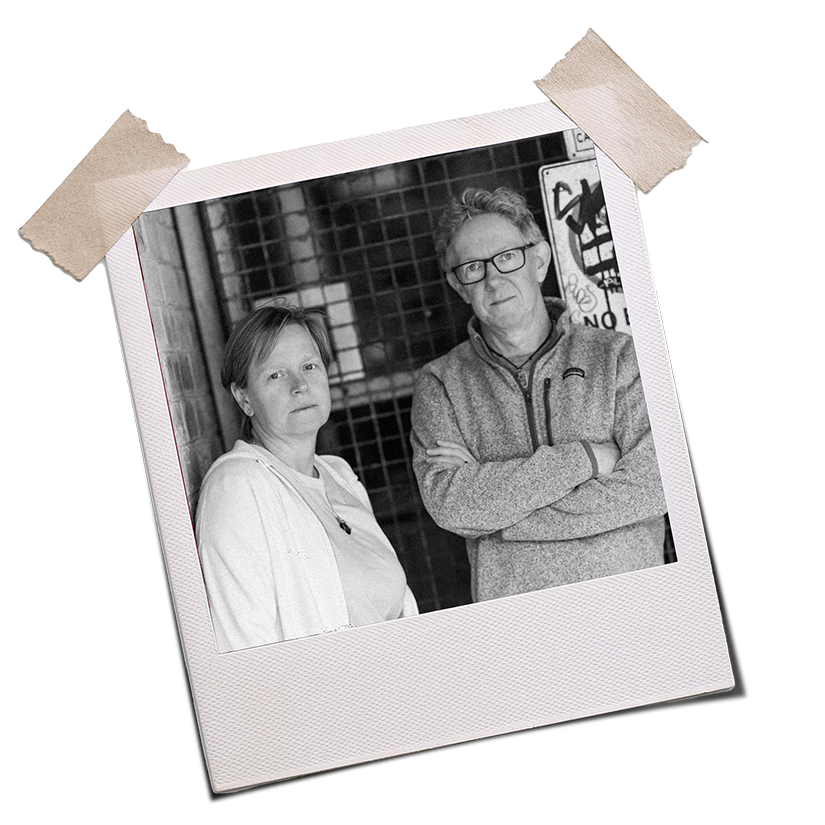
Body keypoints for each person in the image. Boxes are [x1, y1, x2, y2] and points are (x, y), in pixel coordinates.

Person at [411, 187, 668, 602]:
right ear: (459, 286)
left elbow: (654, 486)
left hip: (633, 603)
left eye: (507, 257)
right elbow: (452, 506)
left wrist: (499, 519)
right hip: (520, 625)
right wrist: (586, 458)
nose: (494, 279)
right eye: (473, 268)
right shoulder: (440, 385)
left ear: (540, 260)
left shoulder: (620, 357)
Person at [196, 303, 418, 652]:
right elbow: (243, 647)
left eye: (309, 366)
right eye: (276, 374)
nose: (300, 385)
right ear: (244, 398)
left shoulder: (339, 474)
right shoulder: (238, 485)